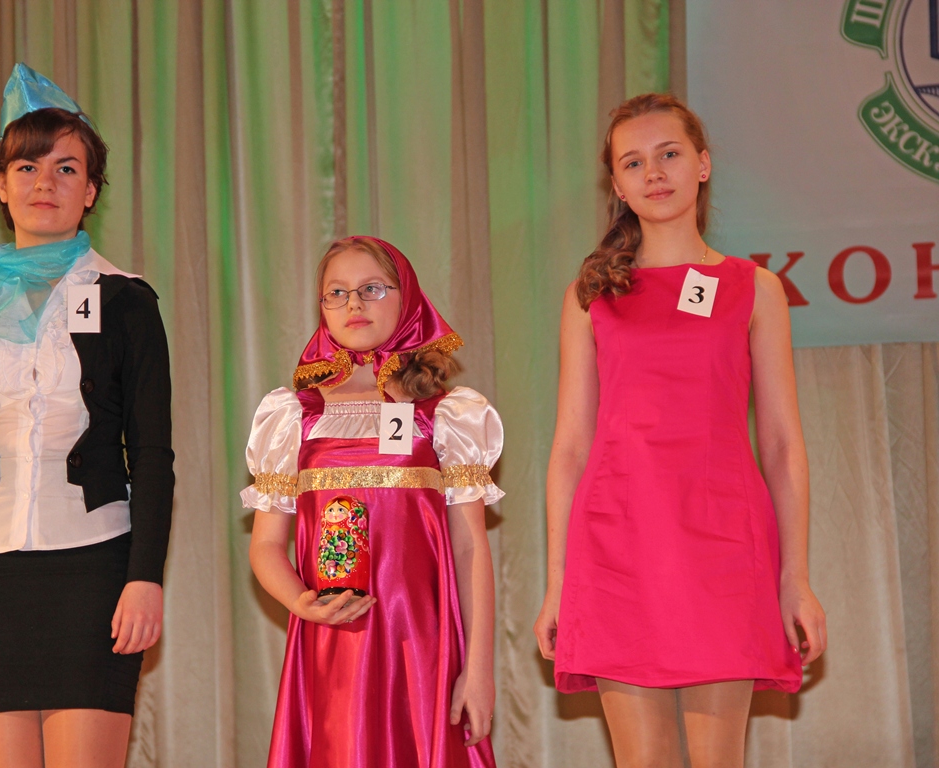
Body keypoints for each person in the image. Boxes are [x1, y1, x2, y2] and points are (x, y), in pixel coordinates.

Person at [533, 93, 827, 768]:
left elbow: (782, 444)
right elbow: (570, 446)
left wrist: (796, 577)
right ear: (617, 185)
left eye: (668, 153)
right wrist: (558, 582)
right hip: (616, 547)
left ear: (703, 164)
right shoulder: (591, 294)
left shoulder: (756, 287)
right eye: (633, 162)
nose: (654, 172)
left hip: (723, 543)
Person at [0, 64, 173, 768]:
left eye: (65, 168)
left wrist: (145, 576)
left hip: (96, 567)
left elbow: (151, 454)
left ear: (91, 191)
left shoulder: (126, 301)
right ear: (0, 184)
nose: (44, 183)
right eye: (27, 166)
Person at [245, 236, 502, 767]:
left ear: (407, 297)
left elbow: (469, 546)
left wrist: (478, 670)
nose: (353, 304)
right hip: (332, 645)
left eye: (372, 289)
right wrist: (301, 602)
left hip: (422, 646)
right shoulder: (293, 415)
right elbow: (266, 546)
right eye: (336, 293)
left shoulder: (446, 414)